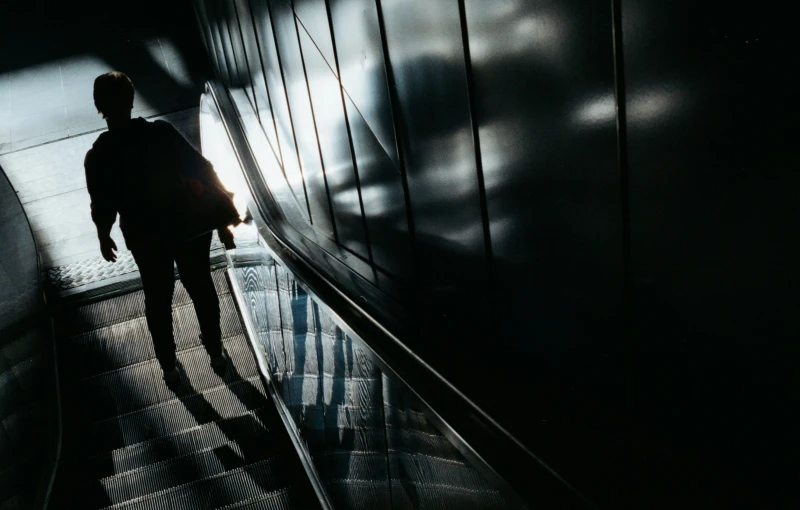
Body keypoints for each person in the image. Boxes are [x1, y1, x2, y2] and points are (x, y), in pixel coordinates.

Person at [84, 71, 236, 387]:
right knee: (201, 287)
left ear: (100, 106)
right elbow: (202, 168)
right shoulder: (160, 133)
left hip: (145, 235)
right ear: (131, 99)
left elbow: (103, 202)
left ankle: (168, 366)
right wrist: (222, 216)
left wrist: (104, 233)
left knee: (157, 297)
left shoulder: (99, 155)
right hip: (188, 224)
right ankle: (215, 351)